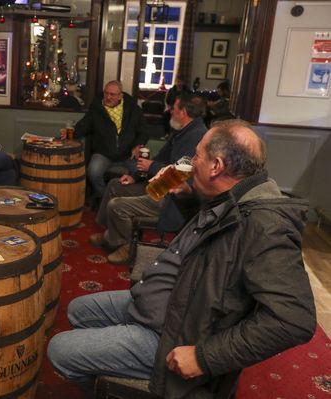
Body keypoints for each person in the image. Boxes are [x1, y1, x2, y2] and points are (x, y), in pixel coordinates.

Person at [47, 119, 316, 398]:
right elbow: (215, 244)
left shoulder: (266, 226)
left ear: (216, 166)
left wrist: (203, 357)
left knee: (59, 350)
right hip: (168, 303)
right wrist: (187, 197)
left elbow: (294, 320)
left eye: (198, 155)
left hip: (173, 335)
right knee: (79, 309)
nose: (190, 162)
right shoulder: (233, 194)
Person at [91, 93, 207, 264]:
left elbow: (179, 175)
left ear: (183, 112)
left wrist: (151, 166)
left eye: (173, 108)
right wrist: (134, 176)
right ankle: (110, 235)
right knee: (115, 184)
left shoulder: (197, 136)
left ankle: (127, 246)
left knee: (117, 206)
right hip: (158, 185)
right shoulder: (181, 132)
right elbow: (160, 158)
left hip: (171, 198)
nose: (169, 111)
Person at [62, 80, 148, 200]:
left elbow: (143, 131)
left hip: (128, 154)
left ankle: (128, 201)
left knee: (143, 173)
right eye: (106, 93)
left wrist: (138, 145)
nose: (108, 97)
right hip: (104, 153)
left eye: (112, 94)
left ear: (120, 96)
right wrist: (70, 132)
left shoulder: (133, 109)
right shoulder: (96, 109)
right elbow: (82, 127)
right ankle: (106, 199)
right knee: (93, 172)